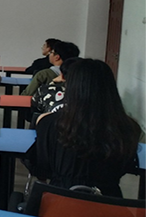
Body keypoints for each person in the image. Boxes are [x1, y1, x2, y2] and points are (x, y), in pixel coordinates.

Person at [27, 59, 141, 197]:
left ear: (71, 88)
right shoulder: (129, 128)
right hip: (108, 203)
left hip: (59, 201)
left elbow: (41, 168)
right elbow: (127, 167)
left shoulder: (49, 123)